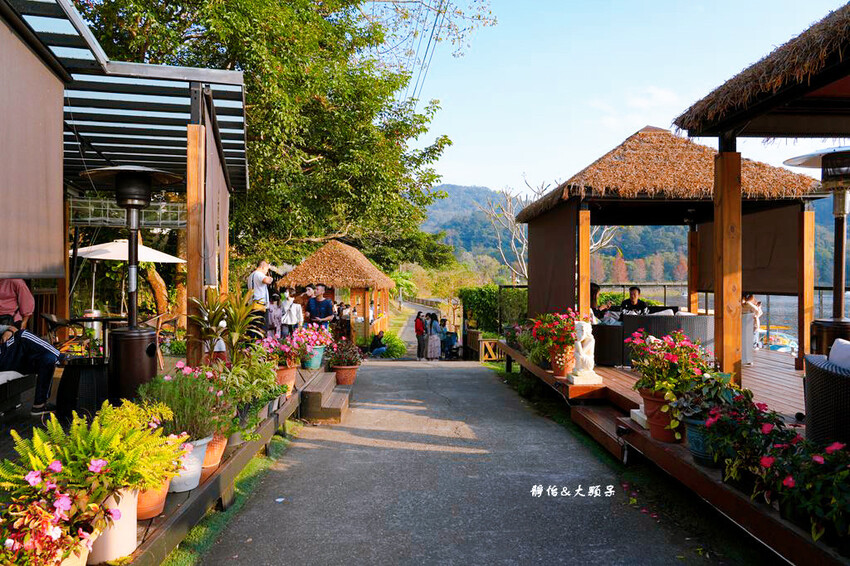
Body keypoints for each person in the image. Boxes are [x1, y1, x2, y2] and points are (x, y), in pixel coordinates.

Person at [0, 327, 60, 415]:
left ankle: (39, 405)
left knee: (48, 358)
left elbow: (12, 328)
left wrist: (8, 331)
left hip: (8, 357)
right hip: (3, 356)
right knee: (22, 335)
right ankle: (61, 356)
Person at [247, 260, 273, 332]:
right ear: (263, 267)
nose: (266, 271)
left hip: (252, 305)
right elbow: (266, 280)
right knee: (262, 328)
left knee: (253, 328)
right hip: (260, 306)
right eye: (266, 269)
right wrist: (270, 278)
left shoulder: (250, 276)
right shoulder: (259, 274)